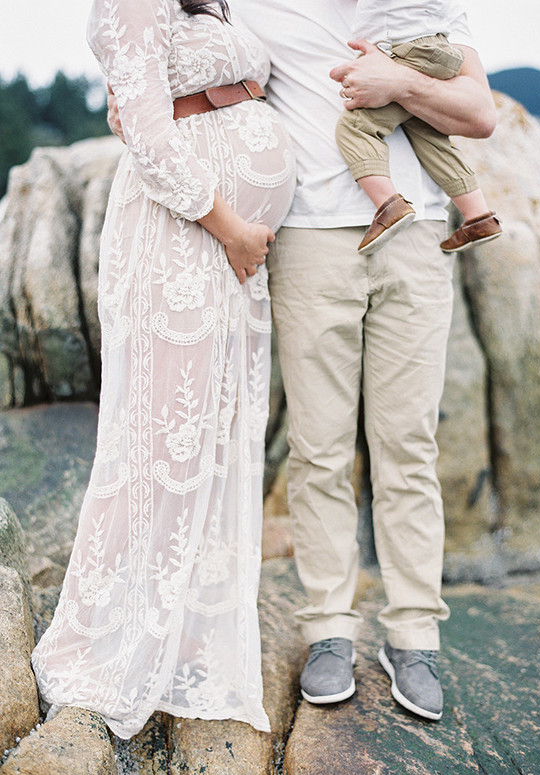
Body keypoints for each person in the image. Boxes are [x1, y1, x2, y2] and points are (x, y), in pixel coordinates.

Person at [31, 0, 296, 739]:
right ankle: (113, 646)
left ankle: (179, 635)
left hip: (224, 247)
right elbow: (149, 135)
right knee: (160, 442)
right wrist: (234, 227)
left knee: (209, 437)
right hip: (181, 235)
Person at [232, 0, 497, 721]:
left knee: (408, 445)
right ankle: (328, 628)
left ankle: (414, 635)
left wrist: (398, 82)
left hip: (417, 240)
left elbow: (479, 114)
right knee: (318, 448)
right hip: (307, 240)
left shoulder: (420, 4)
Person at [335, 0, 503, 255]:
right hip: (438, 48)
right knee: (429, 136)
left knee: (355, 127)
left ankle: (389, 206)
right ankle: (479, 217)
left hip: (407, 49)